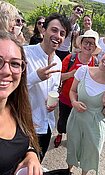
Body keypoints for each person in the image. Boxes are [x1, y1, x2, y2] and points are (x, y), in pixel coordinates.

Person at [66, 44, 105, 175]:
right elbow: (72, 91)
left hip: (95, 126)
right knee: (72, 148)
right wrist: (74, 102)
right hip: (76, 120)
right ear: (104, 53)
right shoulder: (83, 71)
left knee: (89, 155)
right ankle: (68, 170)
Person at [24, 13, 71, 162]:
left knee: (38, 163)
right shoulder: (25, 53)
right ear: (43, 30)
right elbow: (11, 88)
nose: (58, 36)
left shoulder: (58, 61)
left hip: (46, 126)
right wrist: (35, 76)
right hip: (25, 126)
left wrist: (53, 100)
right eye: (54, 30)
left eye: (62, 33)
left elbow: (54, 88)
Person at [0, 31, 42, 175]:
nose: (6, 71)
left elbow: (23, 142)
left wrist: (31, 154)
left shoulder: (16, 107)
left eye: (15, 64)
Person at [54, 29, 101, 148]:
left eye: (91, 43)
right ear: (81, 43)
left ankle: (71, 137)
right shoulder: (71, 58)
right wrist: (72, 74)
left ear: (95, 47)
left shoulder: (95, 63)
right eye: (86, 42)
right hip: (65, 97)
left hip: (83, 101)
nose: (88, 45)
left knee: (76, 123)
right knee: (63, 119)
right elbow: (57, 77)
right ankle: (60, 133)